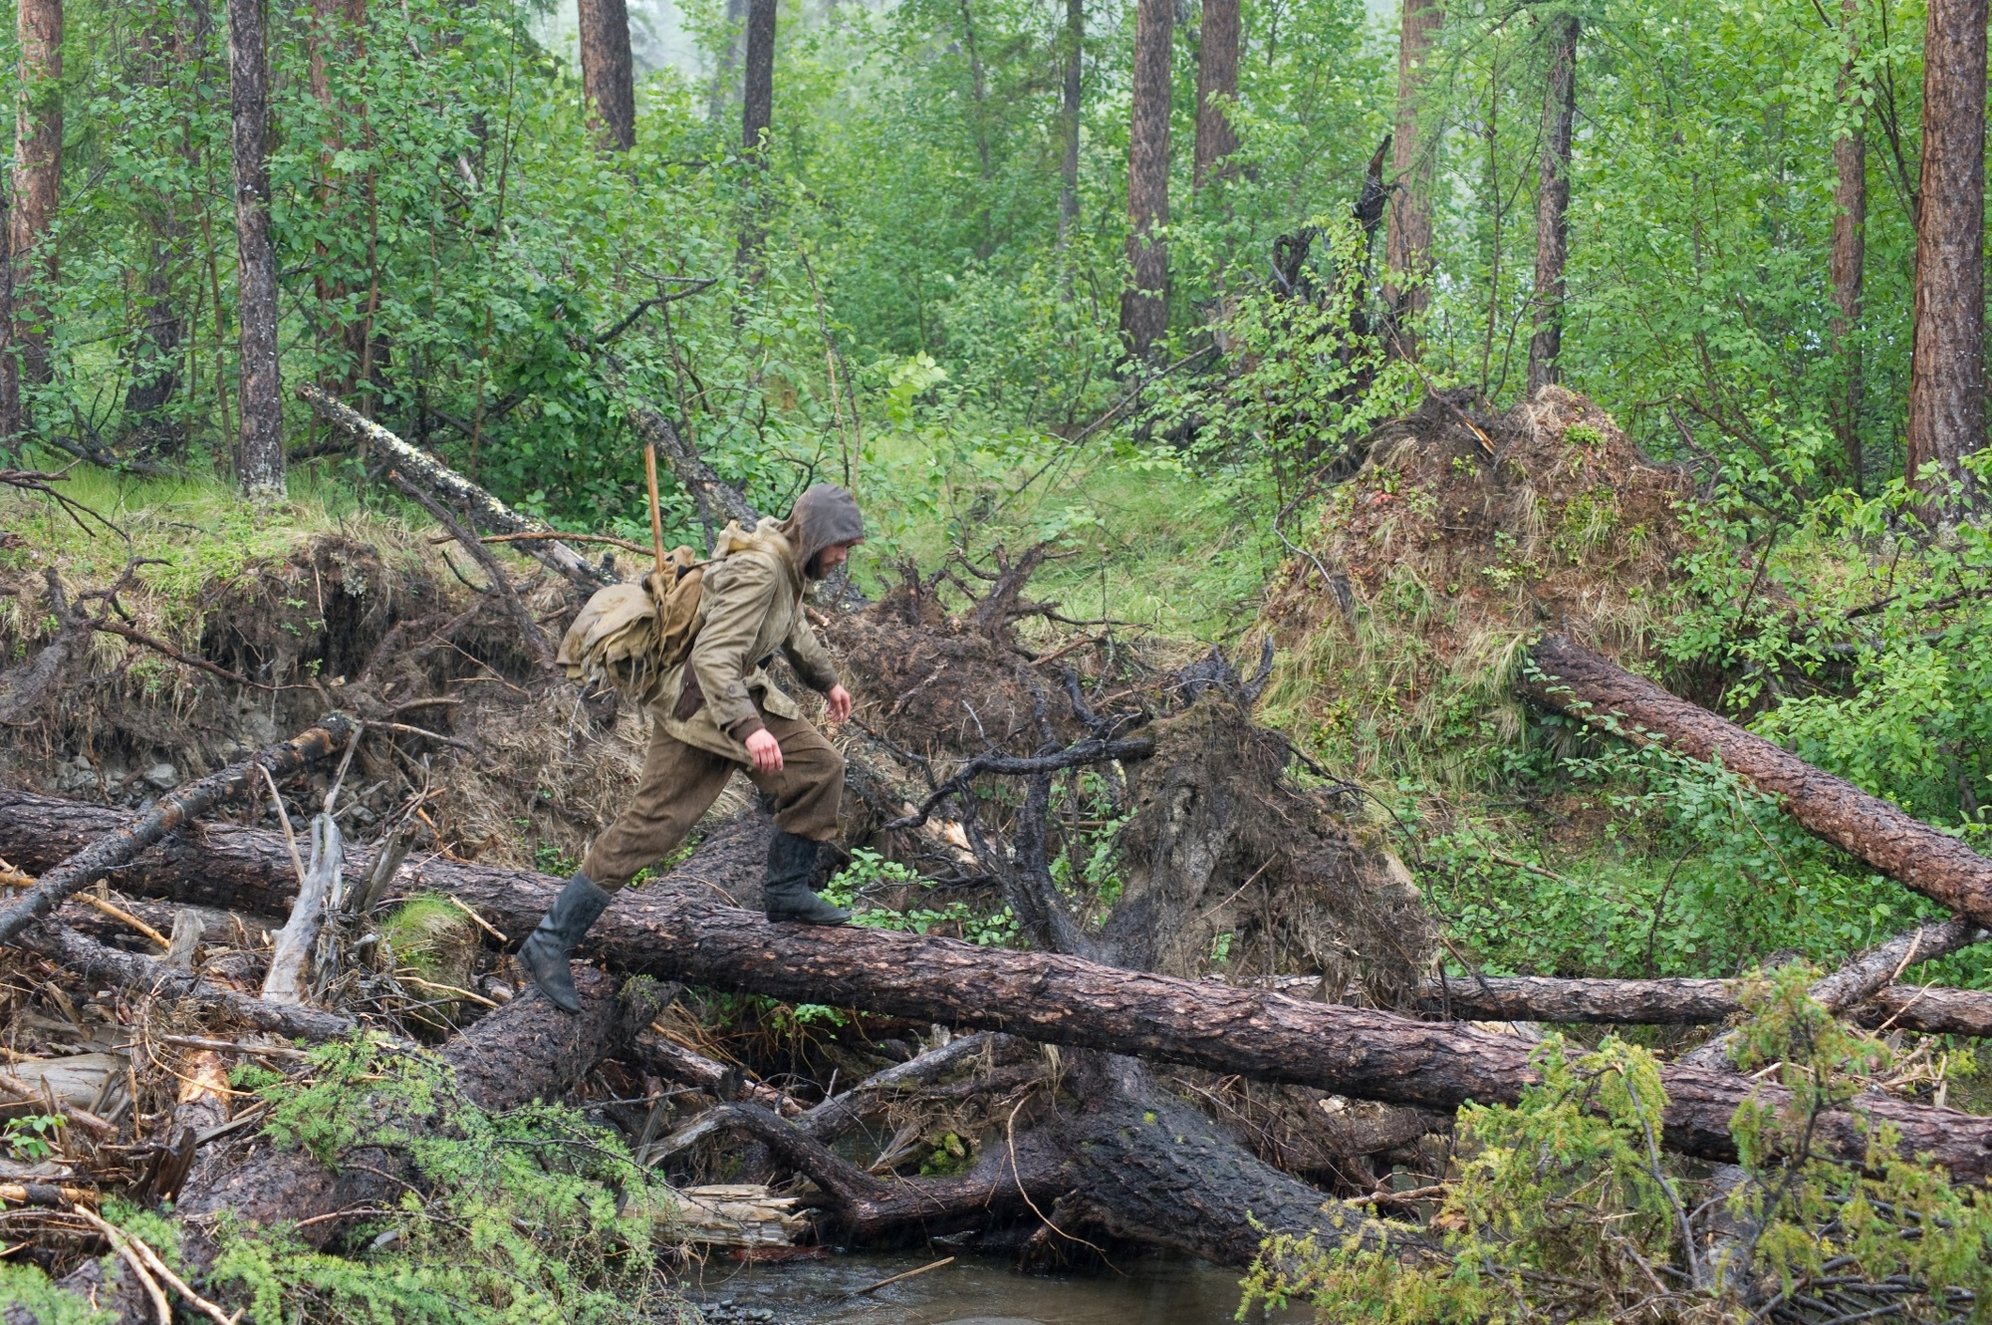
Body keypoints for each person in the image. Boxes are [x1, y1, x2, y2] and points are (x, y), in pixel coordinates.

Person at [520, 483, 865, 1012]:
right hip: (700, 710)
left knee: (820, 768)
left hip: (735, 695)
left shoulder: (787, 567)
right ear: (815, 535)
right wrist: (751, 729)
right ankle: (548, 942)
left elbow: (792, 629)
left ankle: (786, 893)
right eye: (840, 544)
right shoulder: (760, 570)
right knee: (652, 826)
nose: (842, 557)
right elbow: (713, 657)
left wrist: (827, 682)